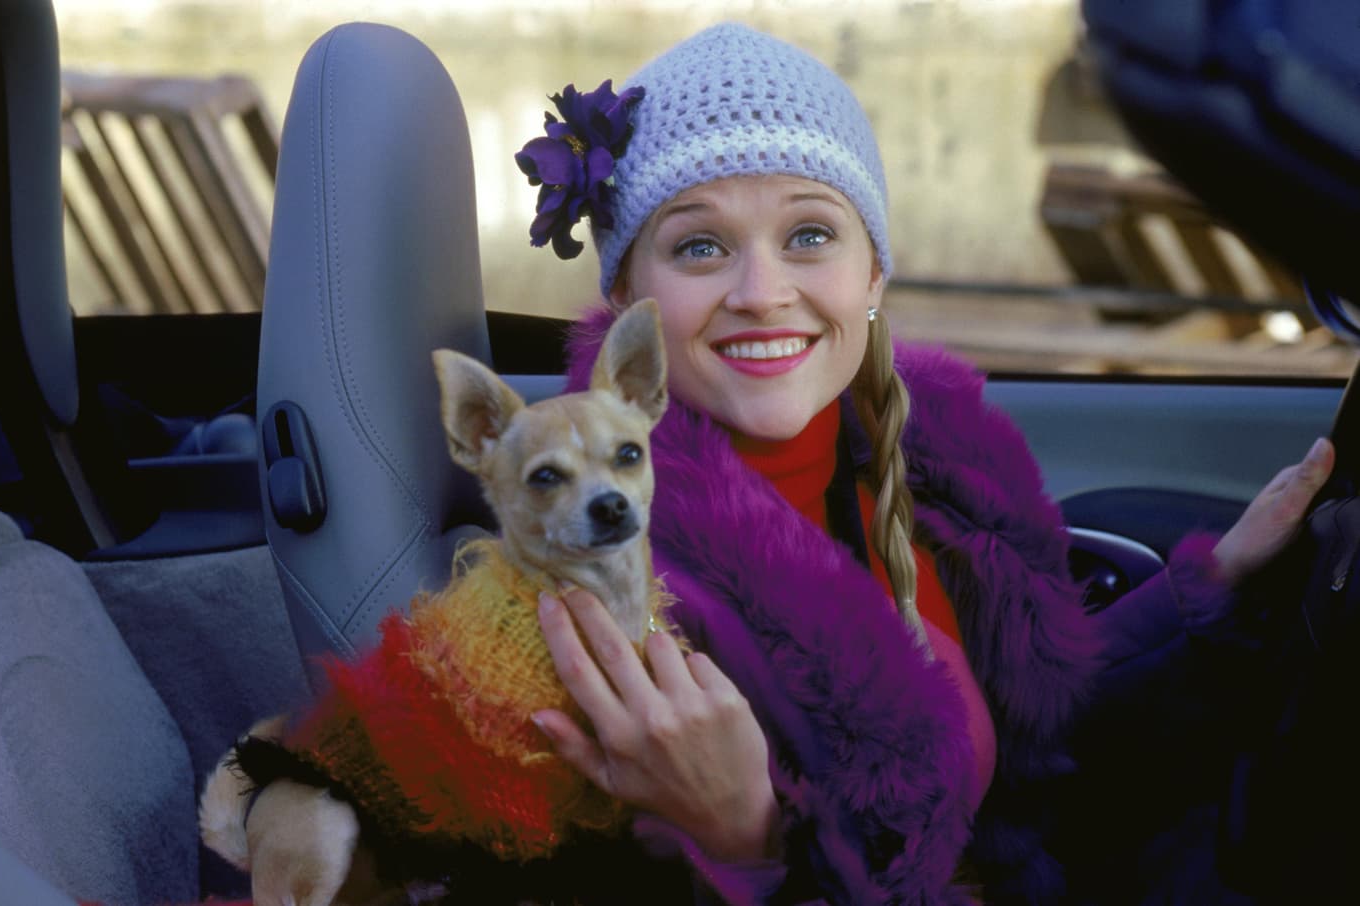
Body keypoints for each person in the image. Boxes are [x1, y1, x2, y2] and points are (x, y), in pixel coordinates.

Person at [510, 22, 1334, 904]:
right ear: (626, 290)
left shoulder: (913, 476)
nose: (761, 293)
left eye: (810, 235)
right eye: (699, 247)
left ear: (873, 275)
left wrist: (1212, 586)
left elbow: (1034, 746)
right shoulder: (616, 585)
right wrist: (742, 843)